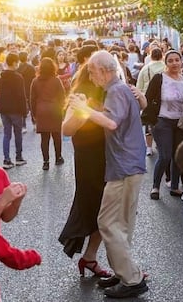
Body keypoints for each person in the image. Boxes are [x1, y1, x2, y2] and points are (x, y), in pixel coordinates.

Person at [68, 50, 148, 298]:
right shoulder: (120, 90)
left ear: (104, 71)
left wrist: (83, 109)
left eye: (92, 71)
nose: (90, 77)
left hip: (125, 167)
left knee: (109, 223)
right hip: (125, 166)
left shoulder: (117, 90)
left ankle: (131, 278)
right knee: (117, 223)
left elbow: (112, 122)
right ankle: (123, 273)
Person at [58, 63, 112, 278]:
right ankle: (116, 265)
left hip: (109, 158)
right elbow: (67, 129)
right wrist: (85, 112)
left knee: (106, 211)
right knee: (97, 210)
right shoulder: (80, 96)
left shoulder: (111, 93)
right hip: (89, 161)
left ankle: (91, 257)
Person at [145, 50, 183, 200]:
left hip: (180, 122)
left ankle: (175, 186)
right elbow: (148, 98)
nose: (174, 63)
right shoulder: (159, 78)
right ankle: (155, 186)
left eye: (177, 60)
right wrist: (151, 120)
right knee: (165, 155)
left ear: (181, 61)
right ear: (166, 63)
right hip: (162, 121)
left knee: (178, 155)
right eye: (171, 61)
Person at [30, 57, 66, 170]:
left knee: (44, 138)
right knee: (56, 136)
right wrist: (62, 109)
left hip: (41, 110)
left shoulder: (35, 81)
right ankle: (58, 157)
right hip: (54, 109)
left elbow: (32, 99)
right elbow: (62, 96)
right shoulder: (56, 80)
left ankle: (46, 162)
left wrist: (34, 114)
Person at [0, 52, 28, 169]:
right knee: (18, 134)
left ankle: (6, 159)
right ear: (15, 63)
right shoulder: (18, 77)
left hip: (4, 108)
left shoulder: (1, 76)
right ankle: (18, 157)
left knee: (6, 134)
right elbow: (21, 95)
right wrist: (24, 111)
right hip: (16, 109)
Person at [17, 50, 36, 132]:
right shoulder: (31, 67)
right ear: (27, 57)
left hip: (21, 89)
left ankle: (23, 126)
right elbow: (34, 78)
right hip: (30, 88)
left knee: (22, 107)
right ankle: (34, 123)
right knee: (32, 106)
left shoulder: (17, 68)